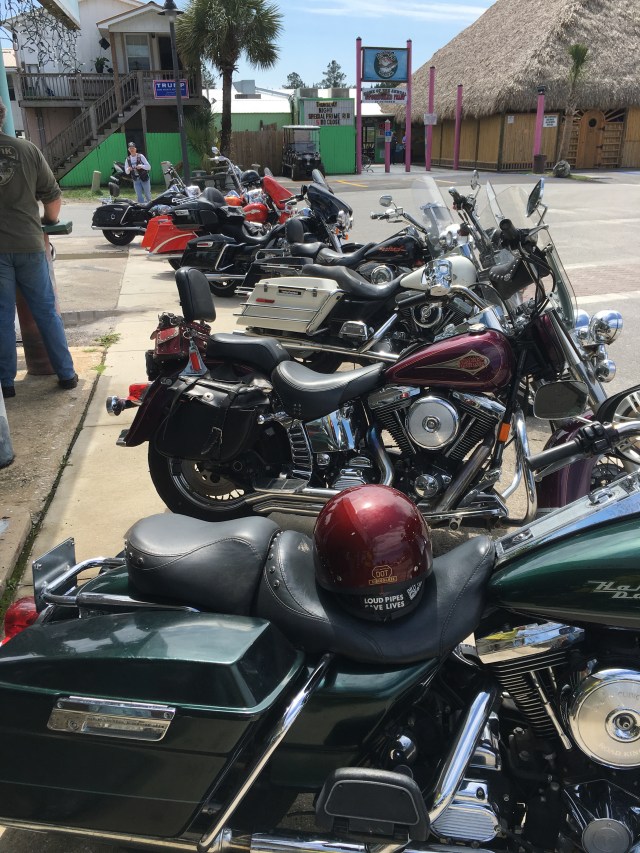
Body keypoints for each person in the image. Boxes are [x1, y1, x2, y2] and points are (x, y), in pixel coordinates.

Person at [0, 96, 77, 399]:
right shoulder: (27, 150)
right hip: (30, 244)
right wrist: (48, 220)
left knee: (2, 318)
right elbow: (52, 197)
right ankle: (66, 374)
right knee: (46, 311)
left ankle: (6, 383)